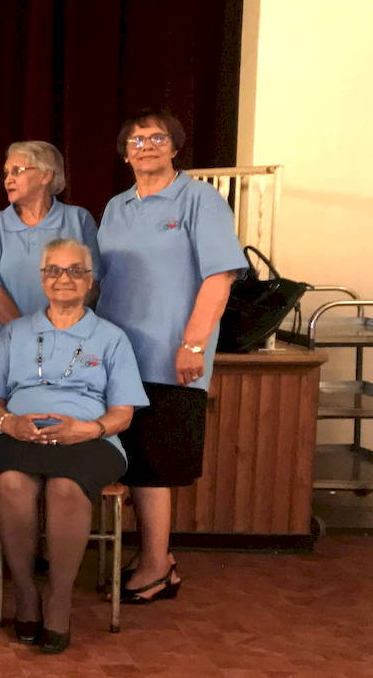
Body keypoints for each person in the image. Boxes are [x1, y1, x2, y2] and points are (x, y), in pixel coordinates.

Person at [96, 109, 245, 604]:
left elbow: (220, 276)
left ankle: (158, 566)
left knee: (155, 465)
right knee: (133, 462)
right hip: (120, 359)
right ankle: (153, 557)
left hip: (169, 355)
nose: (147, 146)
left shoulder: (200, 199)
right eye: (137, 139)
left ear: (176, 147)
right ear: (125, 152)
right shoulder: (117, 206)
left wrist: (194, 342)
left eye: (158, 137)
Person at [0, 238, 148, 653]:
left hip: (90, 437)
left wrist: (86, 429)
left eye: (75, 271)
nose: (64, 279)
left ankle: (59, 597)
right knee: (11, 484)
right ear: (41, 278)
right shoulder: (15, 332)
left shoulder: (110, 337)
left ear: (90, 280)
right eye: (54, 270)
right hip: (18, 434)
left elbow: (124, 413)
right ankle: (25, 593)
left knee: (65, 487)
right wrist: (9, 422)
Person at [0, 141, 100, 323]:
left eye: (17, 171)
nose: (8, 179)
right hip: (14, 341)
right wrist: (27, 334)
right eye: (6, 173)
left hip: (70, 335)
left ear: (45, 175)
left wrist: (61, 327)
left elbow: (92, 283)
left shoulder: (78, 219)